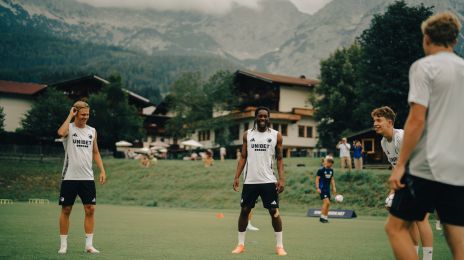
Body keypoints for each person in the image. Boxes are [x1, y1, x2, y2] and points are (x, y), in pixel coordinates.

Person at [385, 12, 464, 259]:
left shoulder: (423, 67)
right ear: (455, 40)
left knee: (395, 228)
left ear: (427, 38)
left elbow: (417, 119)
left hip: (426, 165)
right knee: (456, 235)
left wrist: (400, 166)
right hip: (458, 166)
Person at [372, 106, 433, 259]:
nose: (375, 123)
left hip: (423, 174)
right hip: (407, 178)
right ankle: (413, 255)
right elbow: (396, 167)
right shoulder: (384, 142)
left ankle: (428, 258)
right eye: (374, 120)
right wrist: (393, 192)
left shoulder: (401, 137)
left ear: (390, 122)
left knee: (421, 220)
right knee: (407, 220)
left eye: (379, 120)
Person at [232, 106, 287, 256]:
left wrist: (281, 178)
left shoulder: (277, 135)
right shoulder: (247, 135)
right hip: (250, 181)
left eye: (265, 116)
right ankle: (240, 245)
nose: (262, 119)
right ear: (255, 118)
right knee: (244, 211)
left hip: (269, 180)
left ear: (269, 118)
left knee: (274, 211)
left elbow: (280, 159)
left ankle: (280, 246)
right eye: (260, 116)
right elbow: (243, 157)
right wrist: (237, 176)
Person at [56, 101, 106, 254]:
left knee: (90, 209)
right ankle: (63, 245)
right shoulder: (69, 129)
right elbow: (60, 133)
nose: (85, 117)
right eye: (82, 114)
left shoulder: (92, 131)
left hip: (87, 178)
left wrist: (102, 171)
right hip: (69, 177)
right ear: (76, 112)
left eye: (88, 114)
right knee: (66, 209)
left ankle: (89, 246)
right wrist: (70, 115)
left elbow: (95, 152)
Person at [315, 156, 336, 223]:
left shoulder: (331, 170)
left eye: (332, 163)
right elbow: (317, 179)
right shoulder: (321, 170)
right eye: (329, 162)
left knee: (328, 204)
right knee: (327, 202)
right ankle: (322, 217)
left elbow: (332, 179)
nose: (331, 164)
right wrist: (317, 188)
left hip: (327, 190)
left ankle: (325, 217)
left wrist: (334, 187)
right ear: (326, 162)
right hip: (322, 189)